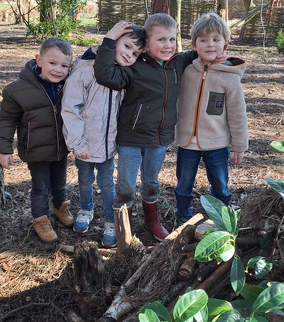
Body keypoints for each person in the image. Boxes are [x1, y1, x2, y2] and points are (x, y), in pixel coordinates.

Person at [94, 14, 226, 241]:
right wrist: (109, 40)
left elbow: (204, 49)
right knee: (126, 184)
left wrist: (219, 53)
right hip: (132, 138)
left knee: (151, 182)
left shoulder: (178, 62)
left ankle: (152, 222)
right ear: (146, 45)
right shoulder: (134, 66)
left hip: (159, 139)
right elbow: (105, 75)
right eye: (161, 40)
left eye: (172, 39)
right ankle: (123, 226)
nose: (168, 45)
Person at [61, 25, 146, 248]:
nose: (129, 54)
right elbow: (71, 108)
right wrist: (77, 143)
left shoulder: (122, 75)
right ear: (112, 42)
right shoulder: (86, 69)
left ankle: (110, 221)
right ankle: (86, 209)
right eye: (126, 46)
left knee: (107, 183)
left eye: (135, 53)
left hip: (108, 146)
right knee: (85, 180)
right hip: (85, 144)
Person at [0, 37, 74, 243]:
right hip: (36, 150)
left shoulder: (70, 85)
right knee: (41, 187)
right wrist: (4, 149)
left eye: (64, 65)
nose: (58, 70)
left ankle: (60, 207)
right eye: (52, 63)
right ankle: (40, 219)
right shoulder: (17, 90)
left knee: (60, 183)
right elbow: (7, 120)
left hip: (61, 147)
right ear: (39, 60)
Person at [174, 13, 248, 227]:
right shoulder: (186, 70)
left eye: (216, 39)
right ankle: (182, 216)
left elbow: (237, 114)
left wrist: (239, 146)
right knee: (184, 183)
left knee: (220, 185)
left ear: (226, 43)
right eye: (203, 40)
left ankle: (223, 217)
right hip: (187, 142)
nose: (210, 44)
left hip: (217, 143)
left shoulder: (230, 78)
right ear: (194, 44)